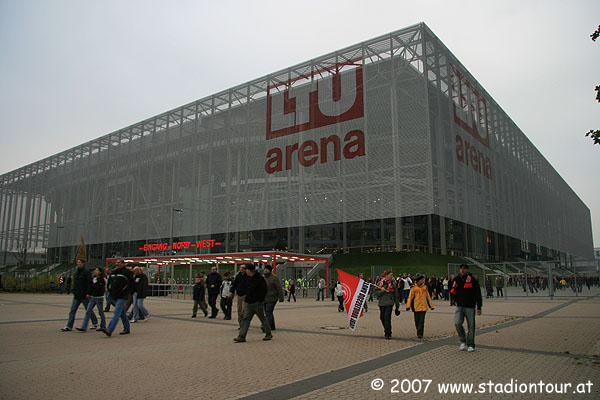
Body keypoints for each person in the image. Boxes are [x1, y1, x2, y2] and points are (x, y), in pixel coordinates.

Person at [233, 264, 272, 342]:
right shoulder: (248, 278)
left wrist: (260, 299)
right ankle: (242, 336)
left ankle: (268, 333)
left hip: (257, 303)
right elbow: (248, 291)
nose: (245, 271)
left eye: (246, 269)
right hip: (249, 302)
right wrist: (246, 300)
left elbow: (264, 290)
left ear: (249, 270)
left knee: (262, 318)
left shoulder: (259, 279)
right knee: (245, 319)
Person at [450, 264, 482, 352]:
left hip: (470, 306)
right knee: (457, 323)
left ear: (467, 270)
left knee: (471, 326)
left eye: (464, 269)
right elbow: (452, 289)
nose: (462, 270)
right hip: (460, 306)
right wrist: (455, 300)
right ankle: (463, 340)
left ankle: (471, 344)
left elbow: (477, 293)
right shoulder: (457, 279)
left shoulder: (472, 280)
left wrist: (479, 306)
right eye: (461, 269)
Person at [61, 258, 98, 331]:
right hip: (77, 295)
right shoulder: (76, 272)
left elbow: (89, 283)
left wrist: (88, 293)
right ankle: (69, 326)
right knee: (72, 310)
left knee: (88, 310)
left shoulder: (86, 272)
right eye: (77, 262)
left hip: (84, 295)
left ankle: (95, 322)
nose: (78, 263)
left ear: (83, 263)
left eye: (79, 262)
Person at [102, 258, 135, 337]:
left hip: (122, 296)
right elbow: (109, 283)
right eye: (116, 262)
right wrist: (110, 291)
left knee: (116, 313)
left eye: (119, 262)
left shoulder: (127, 273)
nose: (117, 264)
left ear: (123, 264)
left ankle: (109, 329)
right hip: (114, 295)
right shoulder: (113, 273)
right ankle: (127, 328)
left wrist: (126, 291)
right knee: (122, 312)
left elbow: (131, 283)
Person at [76, 267, 107, 332]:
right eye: (95, 270)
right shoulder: (93, 279)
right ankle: (84, 327)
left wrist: (94, 287)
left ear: (100, 272)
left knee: (100, 312)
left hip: (99, 297)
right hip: (93, 297)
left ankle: (103, 326)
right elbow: (90, 286)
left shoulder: (102, 280)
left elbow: (100, 288)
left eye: (97, 270)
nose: (95, 272)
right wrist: (89, 293)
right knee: (88, 311)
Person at [406, 273, 434, 339]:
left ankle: (420, 333)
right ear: (418, 280)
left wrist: (431, 306)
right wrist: (408, 306)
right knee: (417, 321)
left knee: (421, 321)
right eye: (422, 279)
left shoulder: (425, 288)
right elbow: (410, 298)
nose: (423, 280)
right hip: (416, 307)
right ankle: (418, 330)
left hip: (423, 307)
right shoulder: (413, 288)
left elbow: (428, 297)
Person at [375, 269, 400, 339]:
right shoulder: (380, 283)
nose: (391, 277)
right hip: (382, 303)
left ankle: (388, 333)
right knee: (382, 318)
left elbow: (396, 295)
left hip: (389, 303)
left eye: (392, 275)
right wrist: (381, 291)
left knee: (387, 318)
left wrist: (397, 305)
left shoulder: (392, 284)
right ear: (386, 275)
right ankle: (386, 329)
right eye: (390, 275)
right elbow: (375, 293)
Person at [262, 265, 284, 330]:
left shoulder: (274, 278)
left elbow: (279, 288)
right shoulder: (263, 278)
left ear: (270, 270)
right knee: (267, 312)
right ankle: (272, 326)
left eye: (267, 269)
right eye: (265, 269)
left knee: (268, 312)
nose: (265, 270)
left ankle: (268, 326)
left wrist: (281, 298)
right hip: (264, 298)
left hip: (272, 298)